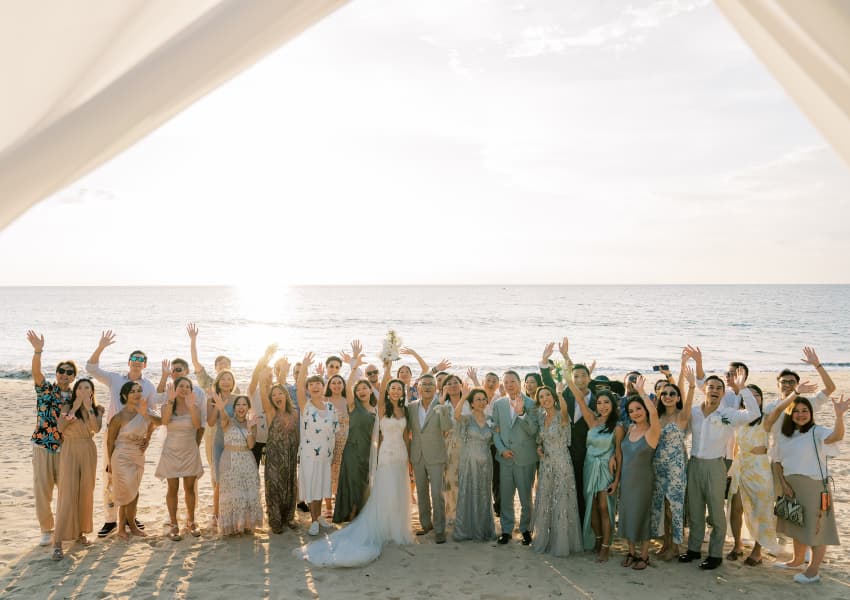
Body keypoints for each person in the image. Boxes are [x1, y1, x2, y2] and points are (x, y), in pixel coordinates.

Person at [297, 367, 414, 566]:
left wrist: (409, 459)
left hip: (399, 453)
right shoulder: (381, 407)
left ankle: (396, 526)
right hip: (385, 453)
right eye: (392, 388)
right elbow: (371, 389)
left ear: (403, 392)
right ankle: (365, 521)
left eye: (398, 388)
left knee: (399, 490)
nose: (395, 391)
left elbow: (406, 436)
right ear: (387, 391)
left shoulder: (405, 410)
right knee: (384, 489)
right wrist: (385, 366)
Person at [679, 368, 759, 570]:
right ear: (704, 389)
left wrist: (742, 389)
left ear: (723, 393)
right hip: (694, 465)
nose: (714, 390)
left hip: (716, 465)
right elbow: (682, 431)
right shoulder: (694, 412)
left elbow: (754, 413)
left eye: (718, 388)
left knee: (716, 512)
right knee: (695, 510)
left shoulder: (727, 414)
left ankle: (715, 555)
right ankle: (694, 550)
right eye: (711, 387)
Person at [764, 392, 846, 583]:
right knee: (796, 525)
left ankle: (813, 570)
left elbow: (837, 436)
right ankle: (797, 560)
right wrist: (784, 484)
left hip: (814, 487)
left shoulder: (817, 431)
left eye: (805, 411)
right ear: (790, 414)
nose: (800, 414)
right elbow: (777, 462)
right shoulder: (784, 436)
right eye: (796, 411)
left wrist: (839, 416)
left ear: (811, 413)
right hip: (791, 487)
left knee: (817, 529)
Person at [86, 330, 157, 537]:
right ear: (129, 362)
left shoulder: (149, 386)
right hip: (114, 433)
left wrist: (148, 439)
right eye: (134, 359)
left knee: (133, 478)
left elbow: (152, 415)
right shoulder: (115, 379)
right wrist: (101, 346)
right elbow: (91, 368)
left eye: (141, 360)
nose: (137, 362)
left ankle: (129, 518)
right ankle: (111, 520)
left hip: (135, 438)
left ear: (145, 364)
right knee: (110, 476)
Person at [26, 330, 75, 546]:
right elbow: (36, 373)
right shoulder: (45, 390)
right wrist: (38, 351)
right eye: (61, 371)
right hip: (43, 445)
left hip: (66, 448)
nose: (64, 374)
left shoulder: (77, 396)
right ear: (56, 374)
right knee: (43, 490)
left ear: (74, 376)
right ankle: (46, 529)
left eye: (69, 372)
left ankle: (66, 527)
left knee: (67, 491)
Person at [51, 378, 103, 560]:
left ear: (92, 391)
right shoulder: (67, 407)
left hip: (88, 449)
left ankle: (80, 533)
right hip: (70, 449)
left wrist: (89, 409)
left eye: (87, 387)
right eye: (79, 387)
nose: (83, 390)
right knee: (67, 494)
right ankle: (57, 542)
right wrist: (74, 408)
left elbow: (96, 428)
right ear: (75, 391)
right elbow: (60, 427)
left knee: (85, 492)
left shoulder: (97, 409)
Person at [571, 383, 623, 562]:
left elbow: (619, 454)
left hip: (606, 470)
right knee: (591, 507)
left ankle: (606, 547)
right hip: (589, 466)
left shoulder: (618, 427)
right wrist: (567, 376)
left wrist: (616, 480)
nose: (602, 406)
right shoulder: (592, 421)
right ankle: (598, 540)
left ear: (613, 404)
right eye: (599, 403)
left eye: (606, 402)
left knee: (604, 507)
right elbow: (580, 399)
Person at [531, 386, 583, 556]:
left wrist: (560, 393)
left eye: (548, 395)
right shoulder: (541, 417)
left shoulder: (562, 415)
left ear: (554, 398)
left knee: (561, 499)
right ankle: (546, 539)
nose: (545, 398)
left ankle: (562, 542)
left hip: (561, 462)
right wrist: (539, 448)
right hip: (546, 464)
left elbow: (565, 409)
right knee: (546, 499)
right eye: (541, 396)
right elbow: (540, 439)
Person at [650, 365, 695, 561]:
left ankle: (675, 546)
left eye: (672, 393)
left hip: (675, 468)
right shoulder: (658, 416)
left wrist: (691, 386)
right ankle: (666, 543)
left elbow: (688, 399)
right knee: (661, 506)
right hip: (658, 466)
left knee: (673, 507)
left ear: (677, 398)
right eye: (664, 393)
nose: (668, 396)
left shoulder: (682, 415)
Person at [106, 382, 161, 540]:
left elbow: (160, 422)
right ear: (125, 395)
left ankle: (132, 525)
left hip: (138, 455)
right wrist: (110, 464)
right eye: (132, 391)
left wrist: (147, 438)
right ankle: (122, 528)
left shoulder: (145, 411)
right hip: (121, 457)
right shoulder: (119, 417)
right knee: (125, 492)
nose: (137, 394)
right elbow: (110, 442)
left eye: (139, 391)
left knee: (134, 493)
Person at [618, 378, 661, 570]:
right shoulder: (630, 428)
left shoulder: (652, 432)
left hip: (643, 481)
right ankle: (631, 552)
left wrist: (642, 392)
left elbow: (654, 412)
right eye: (631, 411)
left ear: (645, 409)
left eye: (639, 409)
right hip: (626, 480)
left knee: (642, 515)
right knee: (628, 514)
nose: (635, 413)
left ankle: (644, 555)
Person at [492, 370, 538, 545]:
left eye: (513, 381)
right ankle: (506, 530)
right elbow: (495, 431)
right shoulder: (499, 404)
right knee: (506, 497)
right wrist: (502, 449)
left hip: (525, 458)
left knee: (526, 498)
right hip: (505, 458)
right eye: (506, 382)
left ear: (520, 383)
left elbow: (533, 431)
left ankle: (526, 530)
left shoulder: (532, 404)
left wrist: (521, 414)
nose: (509, 385)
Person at [406, 372, 453, 543]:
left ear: (436, 388)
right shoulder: (411, 407)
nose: (427, 387)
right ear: (418, 387)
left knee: (437, 493)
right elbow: (408, 430)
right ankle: (426, 525)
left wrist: (443, 408)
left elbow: (447, 427)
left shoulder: (442, 405)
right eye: (424, 384)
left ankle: (440, 530)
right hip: (417, 455)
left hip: (436, 455)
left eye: (430, 384)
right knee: (422, 492)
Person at [155, 378, 203, 541]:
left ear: (191, 390)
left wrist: (191, 407)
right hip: (171, 451)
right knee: (172, 488)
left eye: (187, 387)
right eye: (181, 386)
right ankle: (174, 524)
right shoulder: (166, 405)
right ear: (175, 389)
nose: (184, 389)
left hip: (189, 450)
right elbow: (165, 421)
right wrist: (170, 400)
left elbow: (197, 425)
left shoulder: (195, 407)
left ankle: (191, 521)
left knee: (189, 488)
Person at [296, 352, 339, 536]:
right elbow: (298, 388)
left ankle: (319, 516)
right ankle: (313, 520)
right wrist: (304, 367)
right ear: (308, 388)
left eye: (318, 384)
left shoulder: (331, 408)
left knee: (321, 485)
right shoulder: (306, 406)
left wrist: (333, 453)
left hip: (325, 454)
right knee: (313, 486)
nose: (315, 387)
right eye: (311, 384)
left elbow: (334, 432)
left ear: (324, 387)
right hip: (309, 454)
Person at [333, 351, 376, 523]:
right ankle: (350, 516)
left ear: (371, 390)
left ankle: (361, 515)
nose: (361, 391)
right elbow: (348, 386)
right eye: (358, 390)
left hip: (368, 451)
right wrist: (354, 367)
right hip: (352, 450)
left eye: (365, 388)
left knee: (364, 483)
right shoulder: (353, 406)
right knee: (352, 482)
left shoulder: (376, 409)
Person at [258, 365, 300, 533]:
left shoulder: (294, 412)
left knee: (290, 485)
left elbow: (296, 434)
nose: (277, 396)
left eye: (280, 393)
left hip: (290, 454)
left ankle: (289, 517)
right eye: (273, 395)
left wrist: (297, 452)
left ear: (286, 395)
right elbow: (263, 391)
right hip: (274, 455)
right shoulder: (270, 412)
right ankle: (275, 521)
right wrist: (262, 377)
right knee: (274, 486)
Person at [213, 394, 263, 535]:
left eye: (244, 404)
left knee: (246, 493)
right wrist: (221, 408)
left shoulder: (252, 423)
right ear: (234, 408)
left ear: (248, 408)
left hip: (247, 460)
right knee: (232, 493)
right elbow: (223, 417)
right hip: (229, 459)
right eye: (238, 405)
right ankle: (232, 525)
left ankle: (245, 524)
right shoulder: (228, 421)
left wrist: (250, 428)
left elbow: (251, 445)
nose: (241, 407)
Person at [451, 387, 495, 542]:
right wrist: (463, 397)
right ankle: (466, 530)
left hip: (486, 461)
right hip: (469, 460)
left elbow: (496, 437)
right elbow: (456, 415)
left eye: (484, 399)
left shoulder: (491, 419)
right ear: (472, 404)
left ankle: (482, 529)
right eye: (478, 399)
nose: (481, 402)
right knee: (467, 491)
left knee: (483, 493)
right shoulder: (467, 419)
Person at [208, 369, 238, 524]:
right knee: (220, 481)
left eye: (229, 379)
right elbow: (211, 422)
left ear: (233, 383)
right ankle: (216, 514)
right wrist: (217, 406)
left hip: (235, 444)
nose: (226, 382)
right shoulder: (211, 399)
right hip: (220, 443)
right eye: (223, 379)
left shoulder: (238, 399)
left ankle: (232, 512)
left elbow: (241, 421)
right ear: (218, 382)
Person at [441, 373, 464, 524]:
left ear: (461, 385)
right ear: (444, 388)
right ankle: (451, 513)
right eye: (448, 383)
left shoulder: (468, 403)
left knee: (465, 480)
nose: (452, 385)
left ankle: (465, 513)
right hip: (448, 447)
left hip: (466, 446)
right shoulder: (443, 404)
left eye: (455, 382)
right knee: (449, 480)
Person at [325, 373, 349, 515]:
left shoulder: (348, 400)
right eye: (333, 383)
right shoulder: (324, 401)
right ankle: (328, 506)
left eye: (339, 382)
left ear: (344, 385)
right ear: (329, 385)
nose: (336, 385)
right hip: (329, 442)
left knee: (341, 473)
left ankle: (339, 503)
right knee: (328, 473)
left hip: (346, 442)